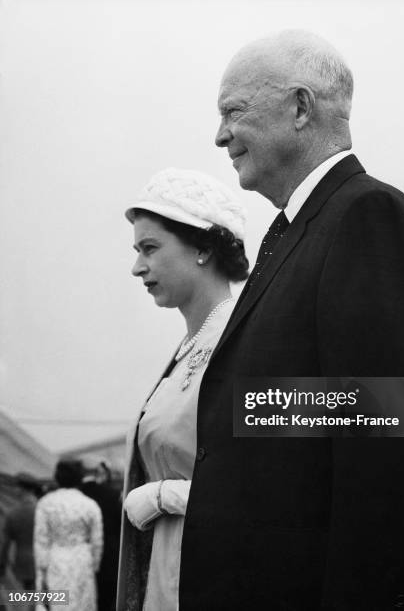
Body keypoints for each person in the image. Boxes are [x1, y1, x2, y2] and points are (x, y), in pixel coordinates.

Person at [172, 30, 404, 610]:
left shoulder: (367, 214)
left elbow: (394, 441)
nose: (220, 135)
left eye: (232, 111)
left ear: (299, 107)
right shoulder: (295, 230)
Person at [117, 168, 248, 611]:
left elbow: (283, 477)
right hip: (166, 571)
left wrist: (163, 494)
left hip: (221, 574)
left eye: (150, 248)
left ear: (204, 248)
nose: (137, 267)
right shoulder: (185, 349)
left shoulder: (251, 336)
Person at [34, 459, 103, 611]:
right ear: (80, 478)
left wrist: (41, 575)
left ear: (57, 478)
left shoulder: (45, 503)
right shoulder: (89, 504)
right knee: (83, 604)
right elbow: (97, 542)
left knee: (59, 604)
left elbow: (41, 542)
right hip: (82, 561)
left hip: (56, 560)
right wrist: (94, 565)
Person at [80, 458, 121, 611]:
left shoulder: (76, 494)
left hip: (80, 558)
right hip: (109, 556)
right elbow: (118, 526)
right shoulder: (112, 494)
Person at [0, 473, 41, 591]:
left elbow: (5, 545)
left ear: (21, 489)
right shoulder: (44, 509)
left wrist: (1, 567)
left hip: (24, 564)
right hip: (46, 562)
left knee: (30, 597)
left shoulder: (13, 513)